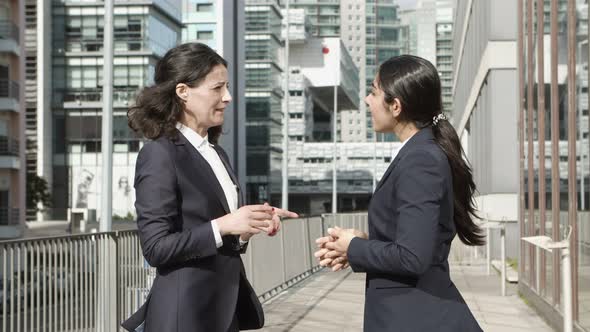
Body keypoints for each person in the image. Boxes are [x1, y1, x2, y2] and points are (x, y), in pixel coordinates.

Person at [121, 43, 297, 332]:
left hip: (223, 312)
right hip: (185, 315)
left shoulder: (216, 153)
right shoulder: (160, 154)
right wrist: (224, 225)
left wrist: (246, 226)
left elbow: (222, 234)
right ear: (183, 92)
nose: (227, 97)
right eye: (217, 88)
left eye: (227, 87)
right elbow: (155, 248)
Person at [315, 55, 484, 331]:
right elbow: (414, 241)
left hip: (416, 316)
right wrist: (363, 242)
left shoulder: (421, 160)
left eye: (373, 92)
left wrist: (353, 247)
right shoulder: (420, 152)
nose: (367, 101)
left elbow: (412, 257)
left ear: (395, 106)